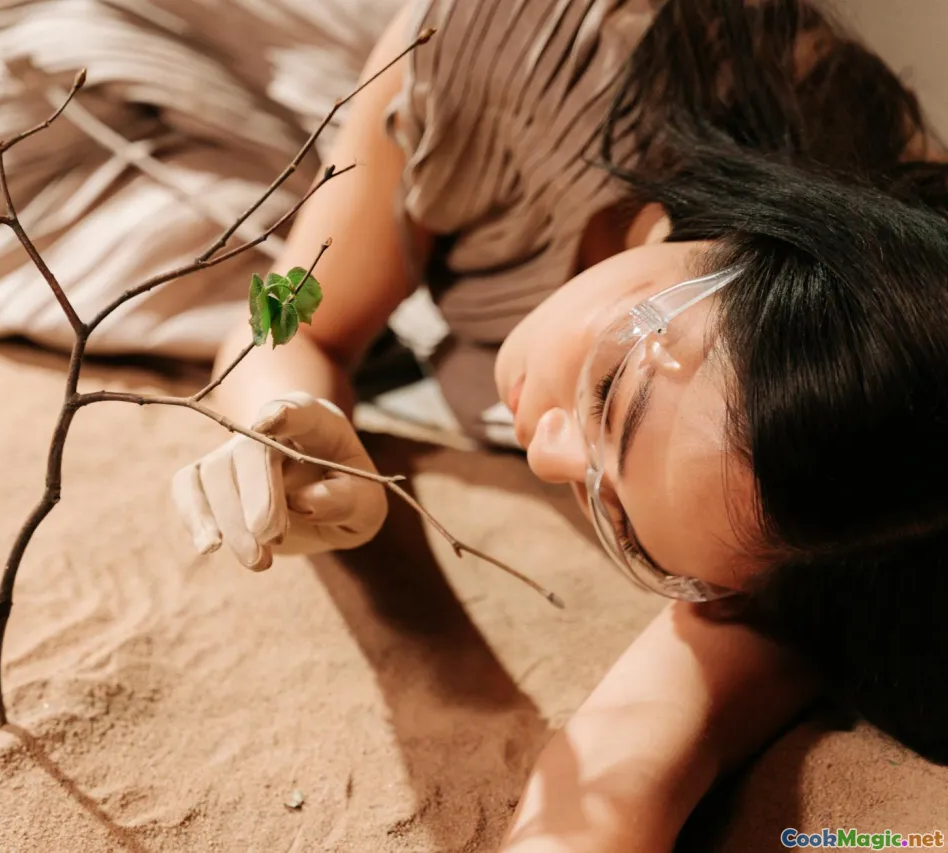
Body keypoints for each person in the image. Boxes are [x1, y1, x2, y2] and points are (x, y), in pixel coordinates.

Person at [169, 0, 948, 849]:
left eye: (612, 514)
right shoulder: (508, 47)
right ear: (760, 232)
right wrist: (278, 413)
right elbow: (292, 314)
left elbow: (645, 741)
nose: (544, 455)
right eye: (612, 388)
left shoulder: (846, 504)